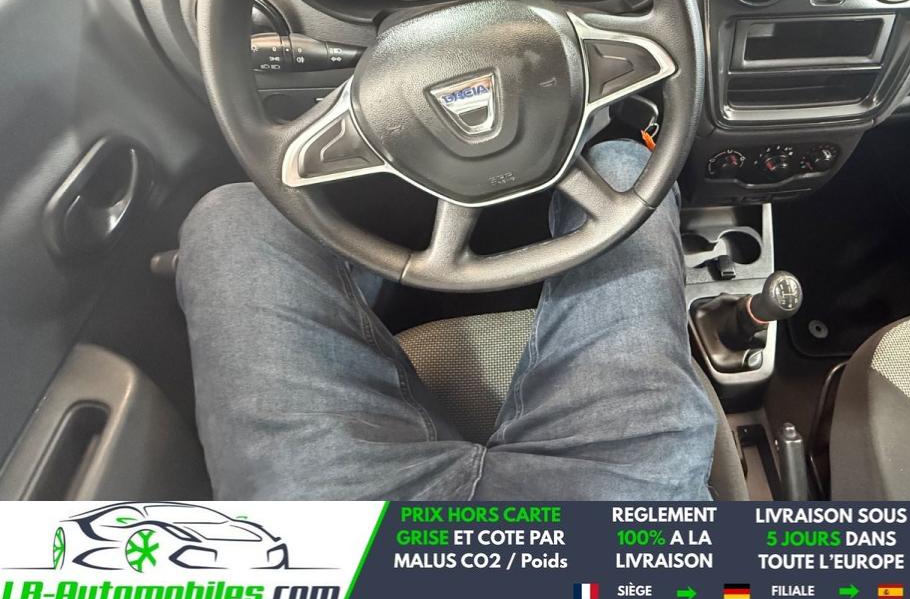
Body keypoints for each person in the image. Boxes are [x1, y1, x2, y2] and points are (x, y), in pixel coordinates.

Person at [176, 139, 717, 499]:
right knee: (627, 167)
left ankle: (360, 289)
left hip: (349, 543)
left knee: (234, 219)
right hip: (615, 523)